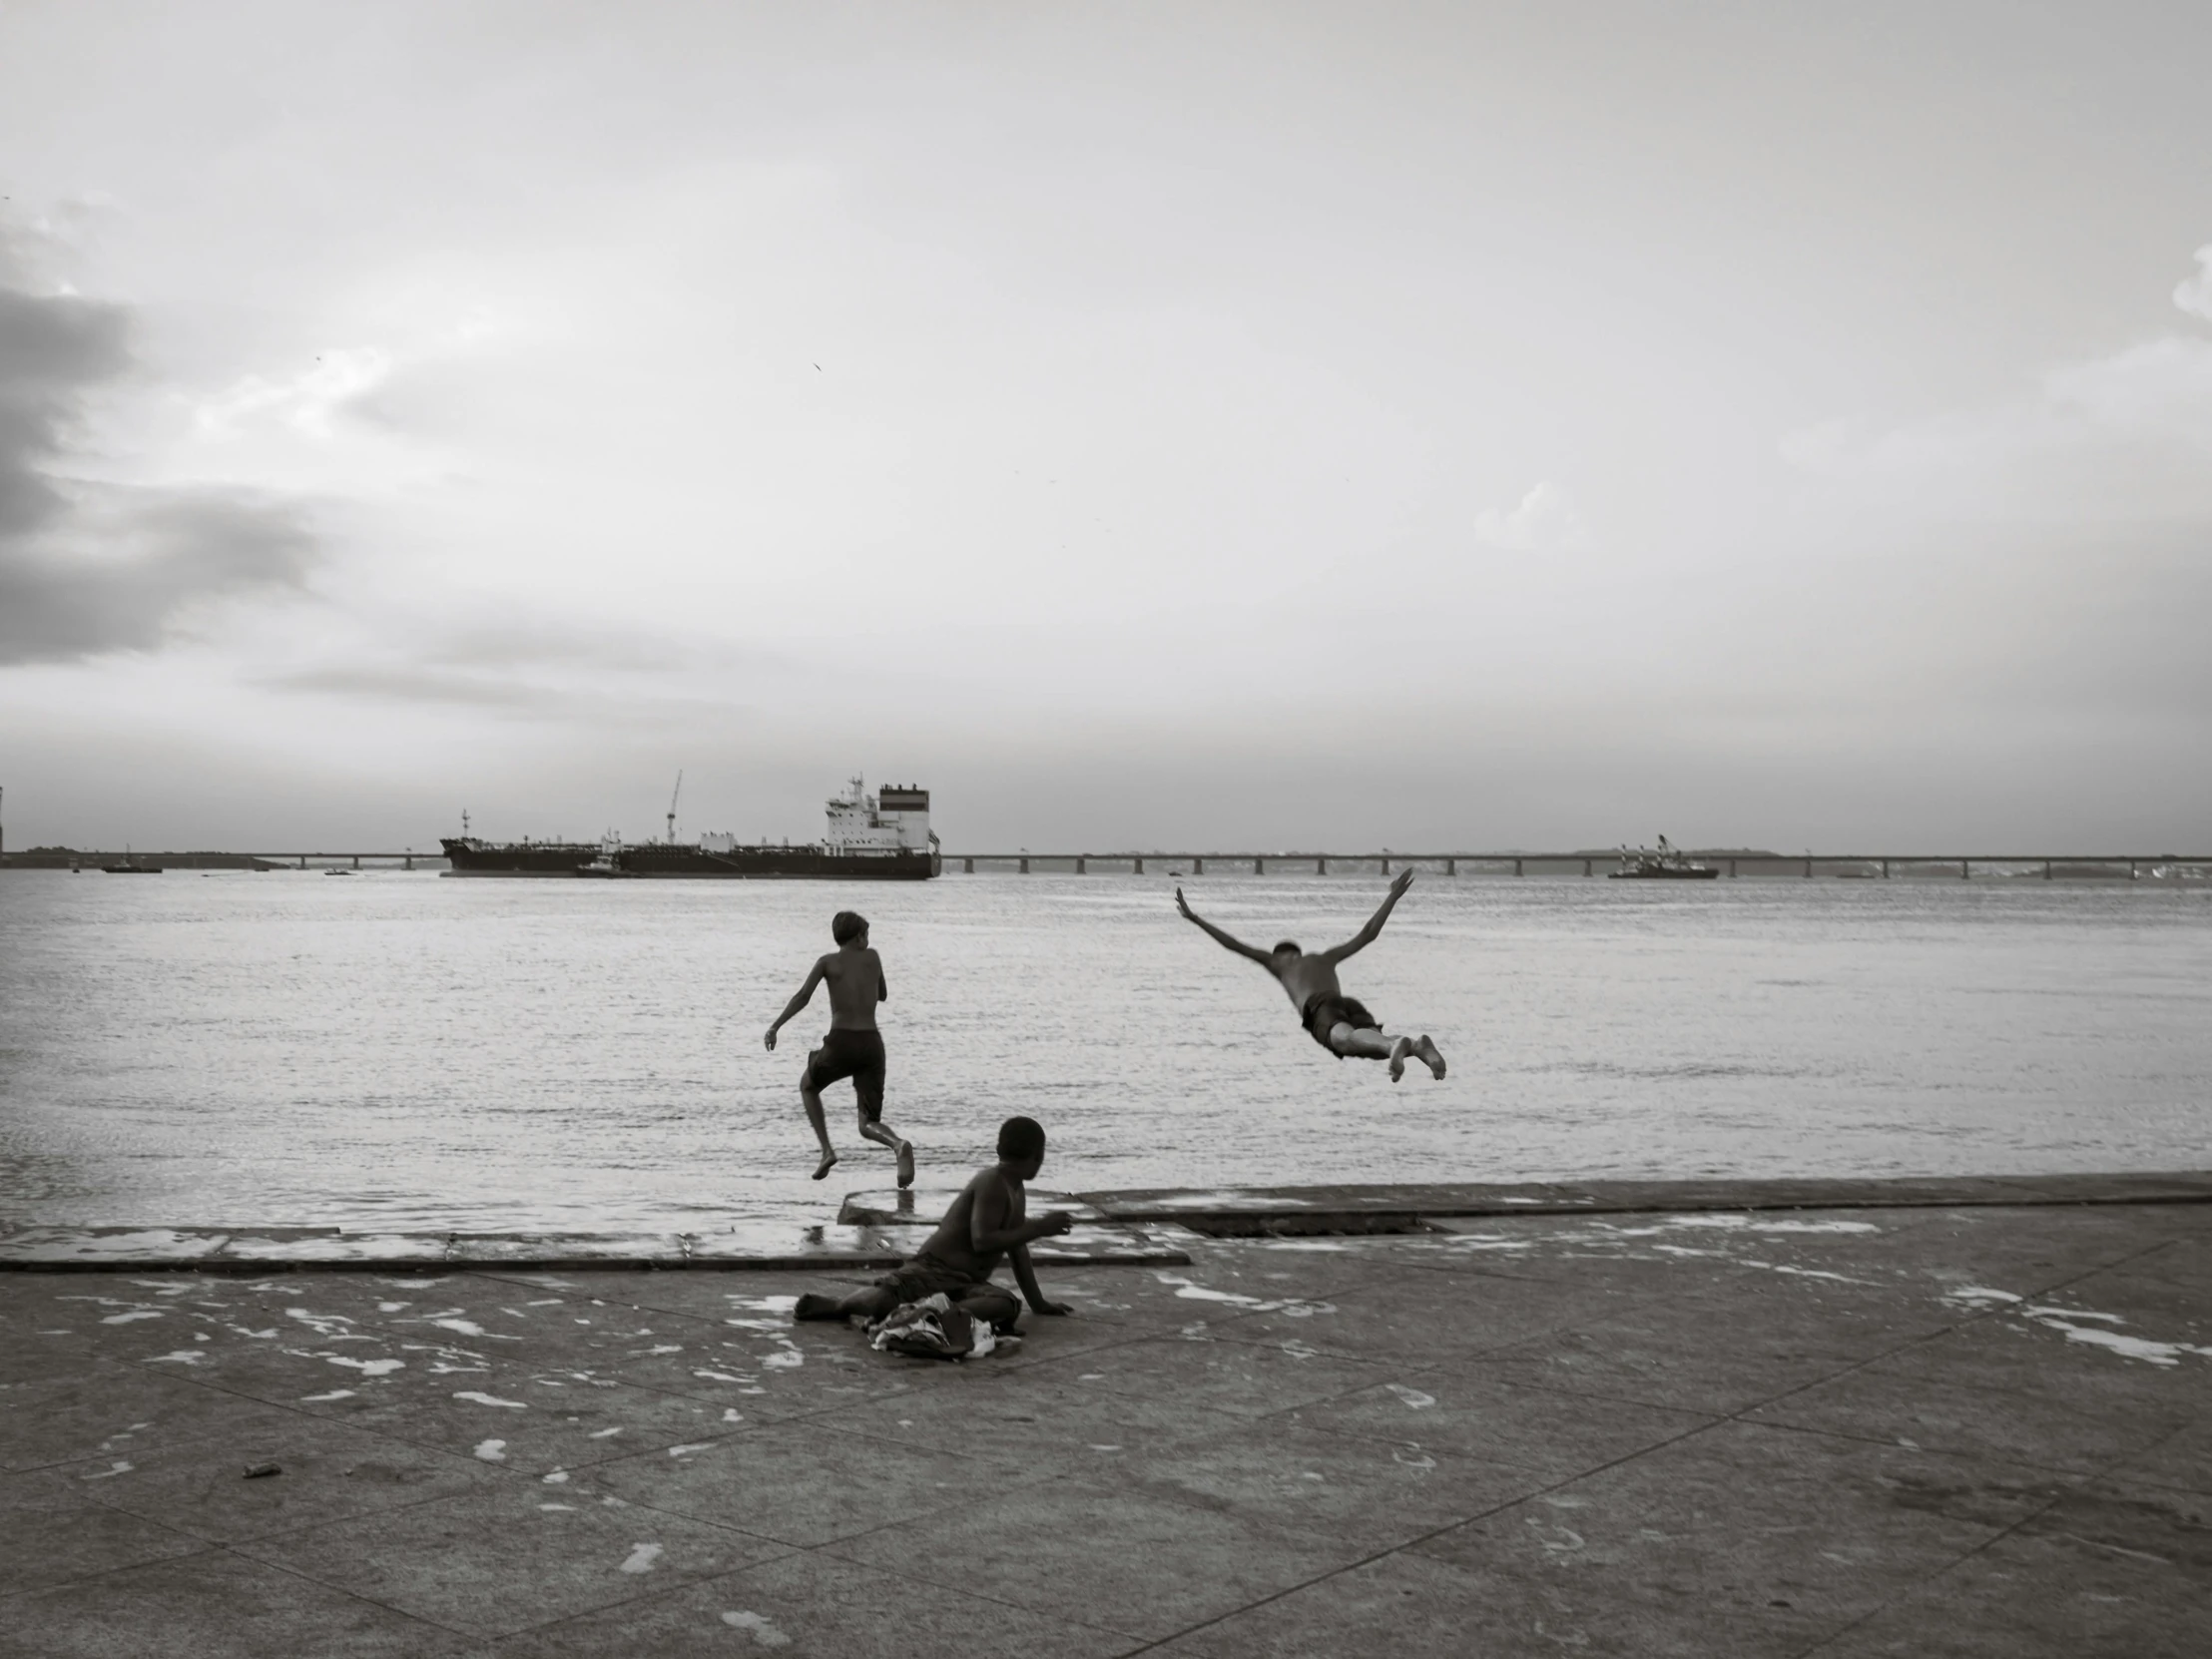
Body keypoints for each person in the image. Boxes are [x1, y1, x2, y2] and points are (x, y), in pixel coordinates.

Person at [793, 1114, 1073, 1328]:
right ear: (1038, 1155)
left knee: (1006, 1305)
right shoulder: (992, 1182)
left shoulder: (1016, 1189)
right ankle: (840, 1306)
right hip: (932, 1269)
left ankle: (927, 1314)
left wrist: (1038, 1304)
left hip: (965, 1284)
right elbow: (982, 1240)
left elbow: (1017, 1248)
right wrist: (1038, 1228)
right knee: (886, 1297)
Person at [1175, 869, 1447, 1081]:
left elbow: (1233, 944)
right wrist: (1392, 896)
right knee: (1365, 1045)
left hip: (1320, 1006)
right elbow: (1368, 934)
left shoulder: (1278, 963)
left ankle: (1394, 1046)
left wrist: (1195, 918)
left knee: (1345, 1041)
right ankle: (1416, 1046)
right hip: (1345, 1003)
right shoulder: (1325, 958)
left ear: (1280, 953)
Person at [766, 909, 914, 1186]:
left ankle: (826, 1151)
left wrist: (775, 1026)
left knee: (808, 1086)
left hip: (842, 1041)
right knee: (867, 1123)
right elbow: (882, 995)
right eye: (866, 935)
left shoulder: (826, 962)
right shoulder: (874, 957)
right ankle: (897, 1144)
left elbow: (802, 997)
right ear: (858, 937)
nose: (868, 940)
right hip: (872, 1044)